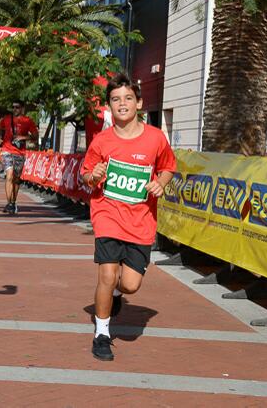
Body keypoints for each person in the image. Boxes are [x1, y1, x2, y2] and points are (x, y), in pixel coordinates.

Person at [80, 74, 176, 362]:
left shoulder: (156, 138)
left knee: (130, 284)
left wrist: (162, 182)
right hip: (107, 215)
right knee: (107, 274)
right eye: (115, 99)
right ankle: (102, 334)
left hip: (141, 221)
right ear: (109, 106)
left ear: (139, 103)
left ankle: (117, 297)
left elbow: (168, 167)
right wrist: (92, 176)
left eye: (128, 98)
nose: (122, 104)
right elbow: (86, 175)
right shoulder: (101, 141)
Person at [0, 100, 38, 214]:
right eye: (13, 107)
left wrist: (23, 137)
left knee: (16, 179)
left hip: (20, 153)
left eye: (17, 107)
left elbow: (35, 136)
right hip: (7, 150)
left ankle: (13, 202)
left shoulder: (28, 121)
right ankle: (9, 202)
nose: (15, 109)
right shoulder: (6, 119)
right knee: (9, 175)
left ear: (22, 109)